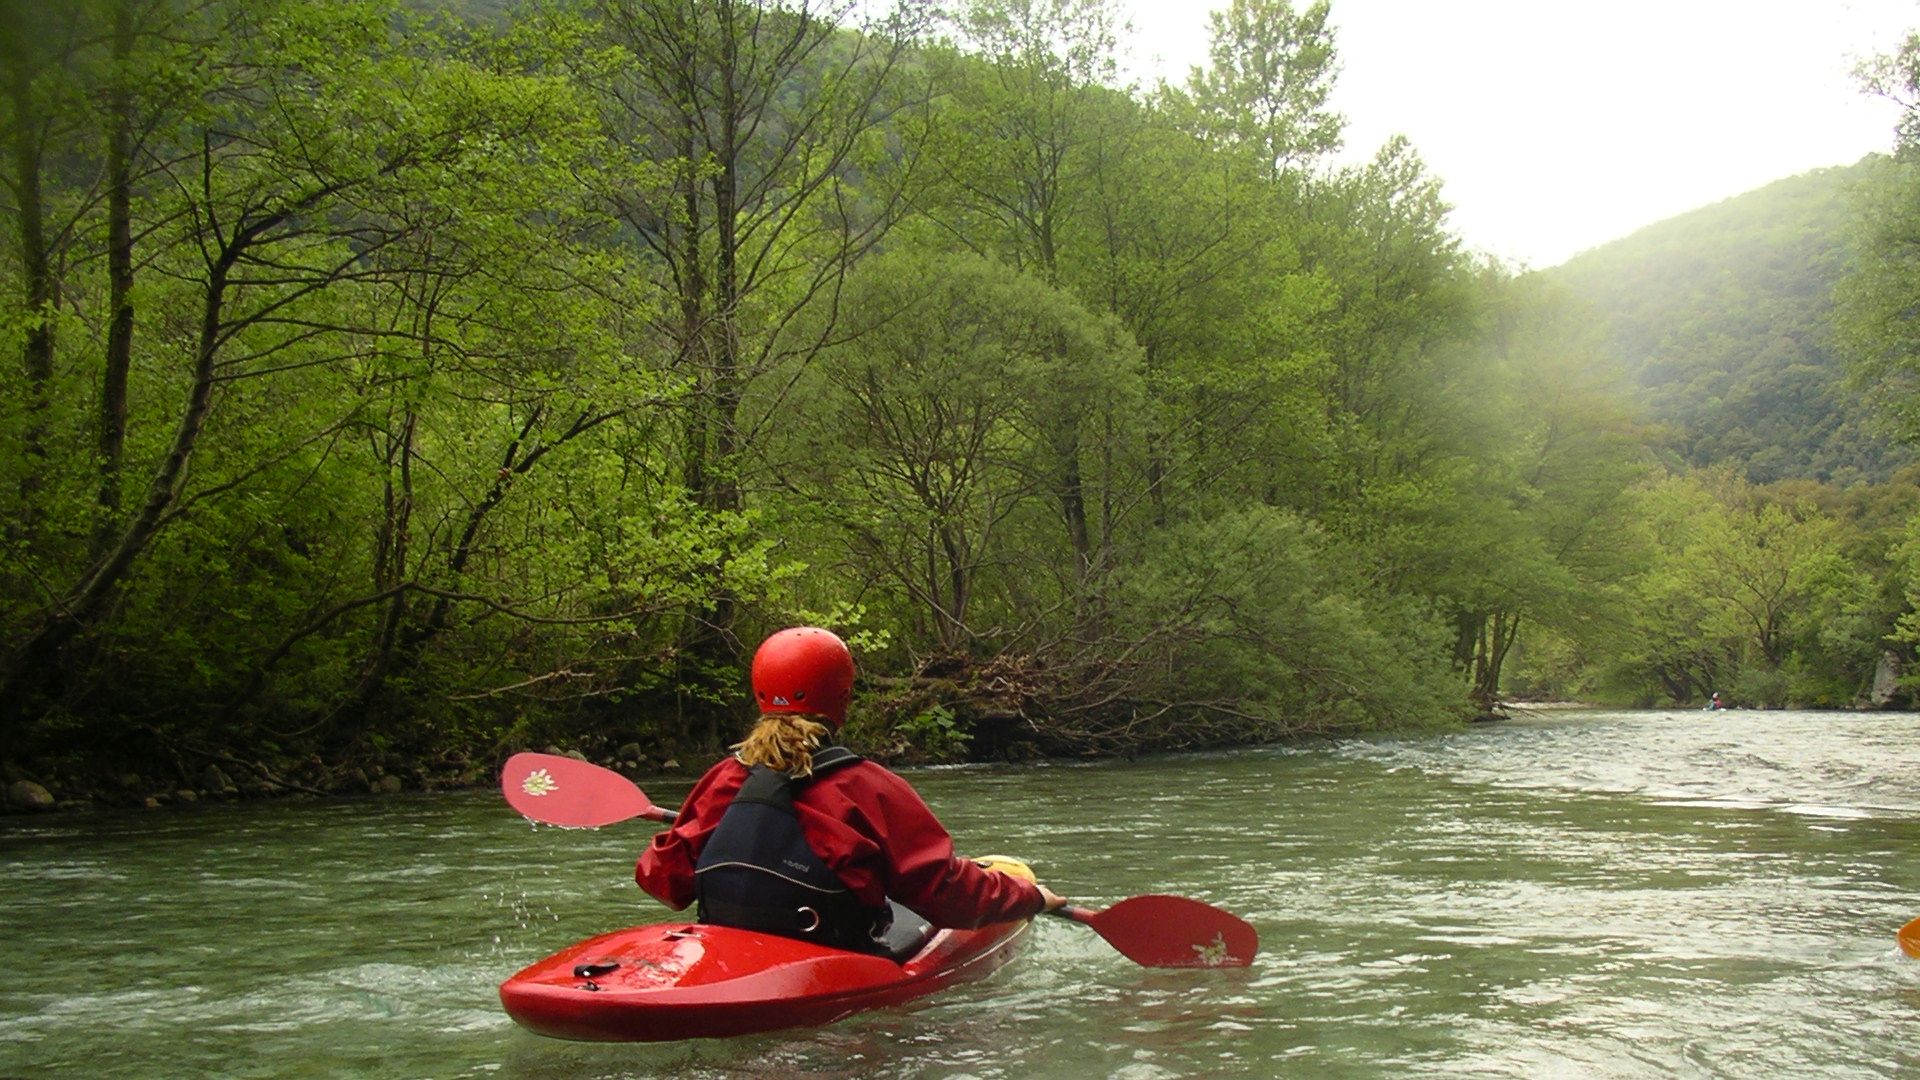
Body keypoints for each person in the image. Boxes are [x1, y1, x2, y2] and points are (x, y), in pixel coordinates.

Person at [636, 626, 1065, 953]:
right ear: (842, 697)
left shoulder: (723, 779)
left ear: (760, 692)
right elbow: (944, 893)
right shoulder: (866, 787)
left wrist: (708, 834)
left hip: (728, 950)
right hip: (829, 956)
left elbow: (662, 881)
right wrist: (1029, 898)